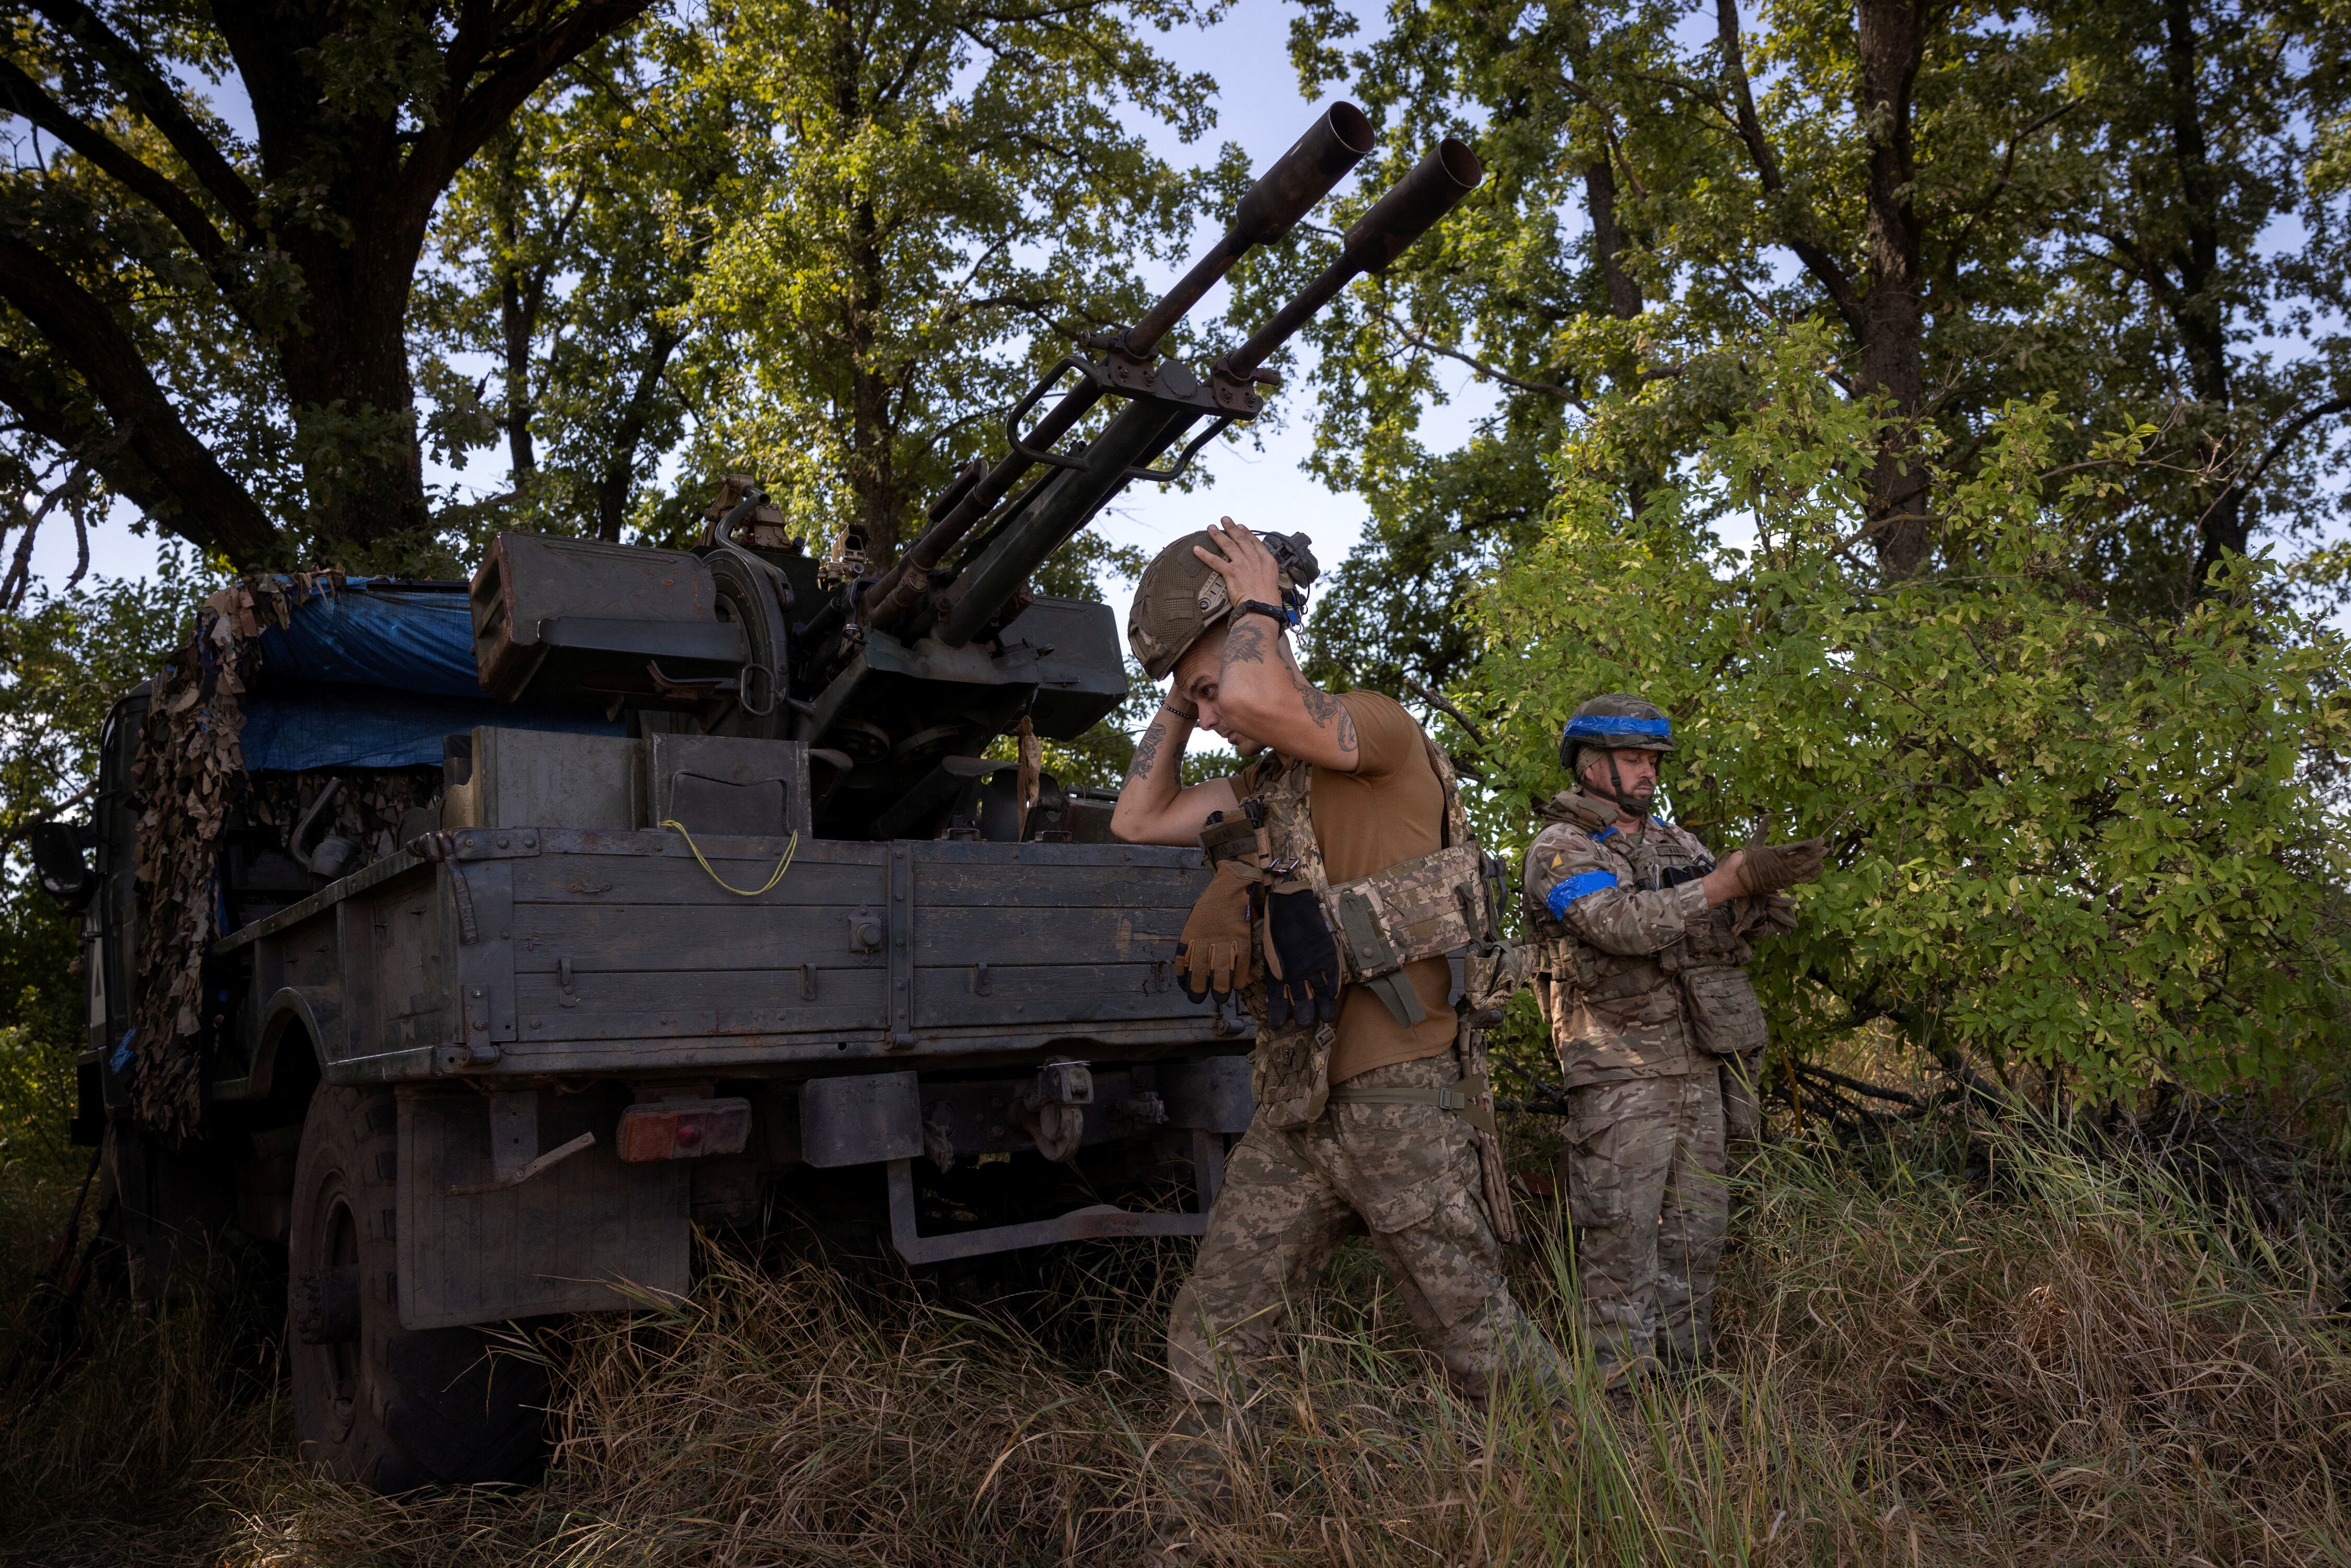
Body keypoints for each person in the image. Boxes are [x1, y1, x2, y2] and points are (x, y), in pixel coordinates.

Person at [1113, 518, 1567, 1531]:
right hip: (1302, 1109)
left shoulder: (1375, 728)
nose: (1212, 710)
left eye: (1210, 684)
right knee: (1217, 1327)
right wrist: (1176, 699)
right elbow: (1137, 817)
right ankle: (1201, 1536)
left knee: (1477, 1341)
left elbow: (1267, 697)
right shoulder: (1264, 787)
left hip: (1402, 1101)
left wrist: (1259, 604)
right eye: (1195, 696)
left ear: (1260, 637)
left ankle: (1604, 1502)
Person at [1521, 694, 1823, 1389]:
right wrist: (1723, 884)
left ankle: (1686, 1398)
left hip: (1697, 1065)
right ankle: (1621, 1404)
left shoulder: (1677, 844)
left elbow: (1711, 930)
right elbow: (1621, 924)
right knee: (1622, 1241)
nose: (1649, 772)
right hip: (1619, 1073)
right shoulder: (1562, 848)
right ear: (1592, 765)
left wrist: (1757, 902)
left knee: (1698, 1239)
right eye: (1634, 759)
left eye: (1654, 760)